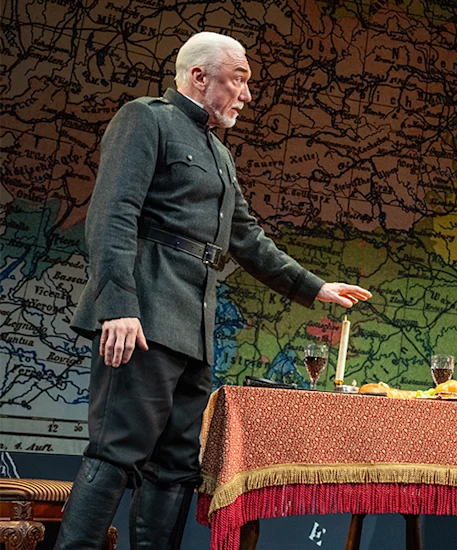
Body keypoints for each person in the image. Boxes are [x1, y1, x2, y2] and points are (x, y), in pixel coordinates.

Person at [56, 32, 372, 550]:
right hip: (140, 320)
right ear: (200, 76)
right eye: (239, 79)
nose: (246, 95)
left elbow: (246, 237)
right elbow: (112, 216)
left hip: (193, 331)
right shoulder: (146, 119)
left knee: (178, 467)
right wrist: (117, 307)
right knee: (117, 451)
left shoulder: (217, 152)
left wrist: (314, 288)